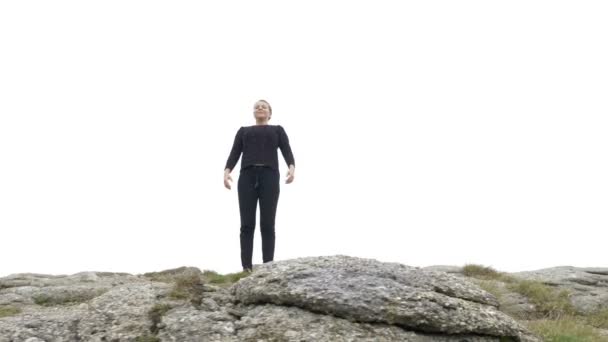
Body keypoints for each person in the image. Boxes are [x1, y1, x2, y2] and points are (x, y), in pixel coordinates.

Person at [223, 99, 296, 273]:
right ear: (253, 112)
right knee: (247, 224)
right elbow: (235, 152)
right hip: (247, 176)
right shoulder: (244, 131)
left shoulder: (277, 130)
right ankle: (246, 267)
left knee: (268, 223)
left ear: (270, 113)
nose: (260, 108)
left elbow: (286, 150)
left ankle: (267, 266)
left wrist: (291, 167)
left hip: (269, 175)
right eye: (257, 106)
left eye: (264, 106)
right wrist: (227, 171)